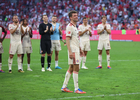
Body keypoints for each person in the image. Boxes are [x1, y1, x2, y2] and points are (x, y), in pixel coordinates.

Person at [61, 10, 86, 94]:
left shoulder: (75, 27)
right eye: (74, 15)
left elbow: (75, 40)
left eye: (76, 15)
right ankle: (76, 88)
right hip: (73, 50)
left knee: (71, 68)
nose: (76, 16)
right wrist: (70, 51)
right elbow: (67, 39)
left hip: (76, 49)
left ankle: (64, 86)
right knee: (76, 68)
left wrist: (80, 49)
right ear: (70, 17)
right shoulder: (70, 27)